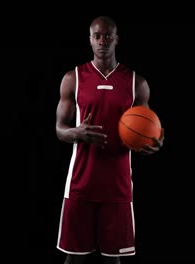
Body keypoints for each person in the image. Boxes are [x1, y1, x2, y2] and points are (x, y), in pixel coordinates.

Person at [55, 16, 164, 264]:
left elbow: (148, 131)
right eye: (97, 36)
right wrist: (76, 133)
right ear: (90, 40)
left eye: (107, 36)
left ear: (117, 39)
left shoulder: (137, 83)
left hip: (118, 187)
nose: (102, 41)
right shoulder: (73, 78)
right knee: (74, 259)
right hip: (80, 185)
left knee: (114, 261)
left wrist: (152, 143)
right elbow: (59, 130)